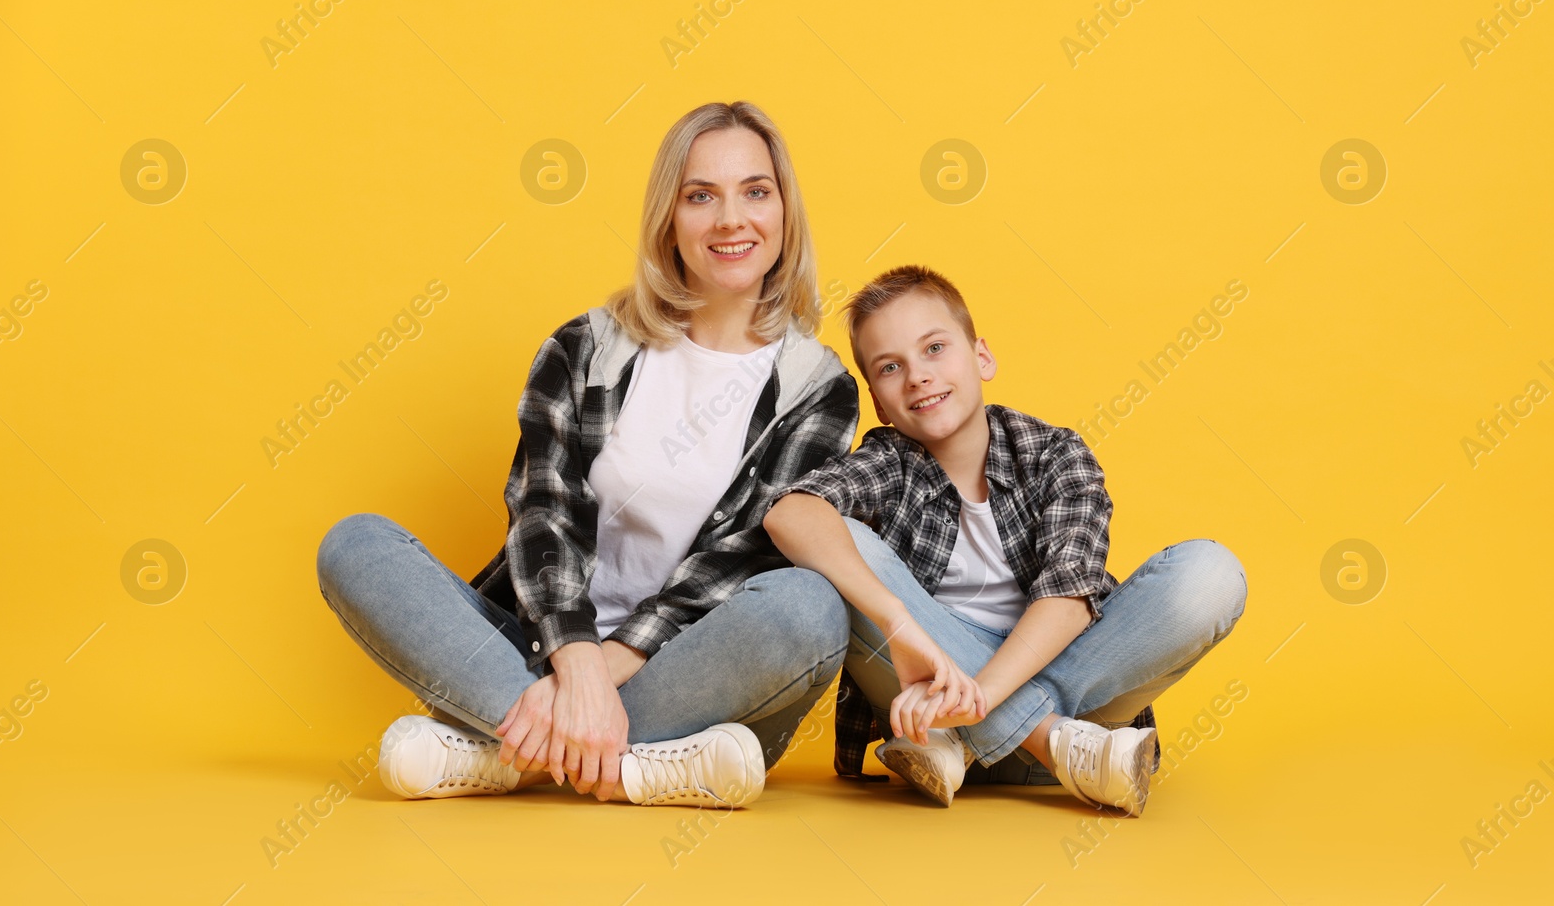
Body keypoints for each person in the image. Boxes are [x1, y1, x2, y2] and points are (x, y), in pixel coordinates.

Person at [317, 102, 860, 809]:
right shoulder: (585, 347)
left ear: (785, 213)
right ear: (669, 218)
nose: (732, 219)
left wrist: (601, 674)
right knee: (355, 544)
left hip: (692, 673)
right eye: (701, 196)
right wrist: (573, 663)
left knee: (810, 607)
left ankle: (507, 751)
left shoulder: (818, 387)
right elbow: (543, 511)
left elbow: (744, 555)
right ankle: (644, 768)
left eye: (756, 191)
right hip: (540, 647)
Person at [763, 265, 1248, 814]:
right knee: (838, 539)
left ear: (982, 358)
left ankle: (983, 742)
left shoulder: (1055, 454)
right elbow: (789, 514)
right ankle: (1050, 740)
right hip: (1024, 740)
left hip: (982, 727)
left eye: (935, 348)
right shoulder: (889, 462)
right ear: (879, 401)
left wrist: (980, 703)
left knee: (1210, 572)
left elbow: (1068, 601)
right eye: (891, 367)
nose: (918, 376)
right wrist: (898, 624)